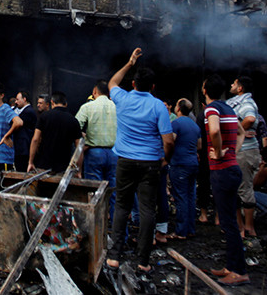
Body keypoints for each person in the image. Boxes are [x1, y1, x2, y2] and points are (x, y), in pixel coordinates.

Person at [105, 48, 174, 275]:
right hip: (150, 163)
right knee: (147, 210)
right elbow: (168, 140)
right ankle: (143, 260)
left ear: (133, 84)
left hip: (124, 160)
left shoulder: (122, 98)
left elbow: (112, 82)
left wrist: (129, 63)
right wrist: (165, 159)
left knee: (122, 206)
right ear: (152, 87)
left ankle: (114, 257)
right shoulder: (158, 106)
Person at [202, 74, 249, 286]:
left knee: (229, 223)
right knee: (229, 220)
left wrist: (220, 152)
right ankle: (231, 266)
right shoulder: (229, 109)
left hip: (222, 170)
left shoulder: (211, 109)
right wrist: (233, 152)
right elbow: (241, 132)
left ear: (205, 90)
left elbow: (213, 130)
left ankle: (239, 271)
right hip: (232, 167)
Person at [75, 80, 117, 219]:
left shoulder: (88, 107)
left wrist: (85, 137)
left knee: (95, 193)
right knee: (114, 195)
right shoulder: (117, 106)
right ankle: (120, 237)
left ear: (94, 91)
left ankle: (96, 234)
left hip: (94, 153)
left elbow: (76, 127)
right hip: (114, 153)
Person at [226, 76, 260, 238]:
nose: (231, 85)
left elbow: (250, 118)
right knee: (236, 188)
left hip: (245, 151)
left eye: (234, 83)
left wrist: (235, 132)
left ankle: (248, 227)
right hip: (239, 150)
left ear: (240, 88)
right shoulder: (235, 102)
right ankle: (240, 226)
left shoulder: (246, 103)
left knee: (244, 188)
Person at [168, 98, 201, 239]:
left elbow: (170, 141)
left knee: (180, 197)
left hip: (180, 163)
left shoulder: (176, 124)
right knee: (190, 196)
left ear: (179, 109)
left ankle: (181, 231)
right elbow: (199, 146)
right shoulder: (195, 126)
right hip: (193, 163)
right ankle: (190, 229)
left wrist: (166, 158)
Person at [26, 92, 82, 173]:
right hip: (64, 167)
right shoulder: (73, 120)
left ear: (52, 102)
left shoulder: (44, 117)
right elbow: (79, 147)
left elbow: (35, 139)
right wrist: (79, 170)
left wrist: (30, 162)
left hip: (44, 165)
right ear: (65, 104)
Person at [0, 82, 23, 175]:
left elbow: (18, 122)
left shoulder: (5, 108)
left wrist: (6, 136)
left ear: (1, 95)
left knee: (1, 188)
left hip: (3, 159)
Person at [12, 91, 38, 171]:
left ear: (24, 99)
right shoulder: (23, 111)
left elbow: (17, 123)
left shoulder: (28, 112)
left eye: (17, 99)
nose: (15, 102)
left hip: (24, 148)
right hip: (21, 148)